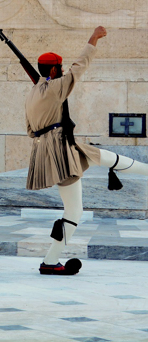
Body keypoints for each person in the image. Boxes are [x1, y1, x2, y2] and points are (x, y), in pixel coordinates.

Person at [26, 26, 148, 275]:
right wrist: (93, 39)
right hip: (60, 151)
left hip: (60, 145)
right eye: (58, 69)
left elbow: (31, 129)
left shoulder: (33, 94)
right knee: (73, 211)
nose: (61, 72)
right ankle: (50, 261)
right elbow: (78, 67)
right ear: (53, 70)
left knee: (99, 156)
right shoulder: (53, 88)